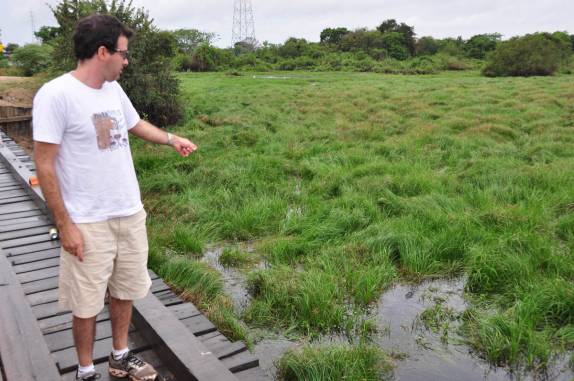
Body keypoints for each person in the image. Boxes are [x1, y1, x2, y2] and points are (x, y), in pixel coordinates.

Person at [33, 14, 197, 381]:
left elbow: (135, 125)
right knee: (86, 300)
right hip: (87, 220)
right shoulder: (56, 95)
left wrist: (172, 139)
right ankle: (85, 369)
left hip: (128, 212)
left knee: (125, 289)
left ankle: (120, 356)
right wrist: (65, 226)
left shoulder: (112, 90)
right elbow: (44, 165)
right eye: (123, 54)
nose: (126, 61)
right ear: (102, 51)